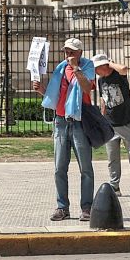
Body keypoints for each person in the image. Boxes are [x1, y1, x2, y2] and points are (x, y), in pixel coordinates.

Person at [33, 37, 96, 222]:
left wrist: (76, 68)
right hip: (60, 121)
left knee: (85, 167)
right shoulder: (60, 68)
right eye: (66, 51)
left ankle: (87, 208)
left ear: (80, 53)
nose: (68, 54)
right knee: (59, 167)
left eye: (72, 51)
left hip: (80, 121)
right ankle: (62, 207)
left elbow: (86, 89)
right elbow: (57, 95)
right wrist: (42, 91)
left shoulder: (88, 66)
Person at [95, 52, 130, 198]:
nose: (95, 71)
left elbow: (124, 68)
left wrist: (109, 63)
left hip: (126, 121)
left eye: (97, 68)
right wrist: (102, 118)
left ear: (103, 66)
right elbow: (103, 99)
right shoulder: (100, 80)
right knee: (112, 158)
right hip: (110, 124)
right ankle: (114, 186)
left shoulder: (118, 75)